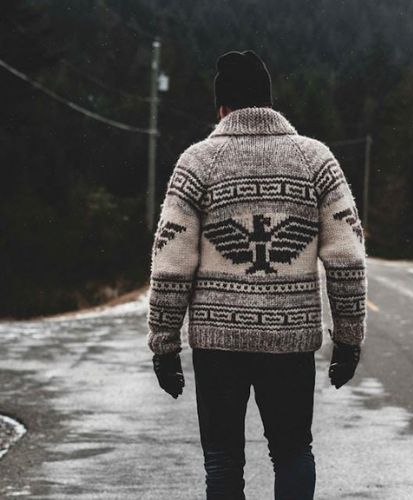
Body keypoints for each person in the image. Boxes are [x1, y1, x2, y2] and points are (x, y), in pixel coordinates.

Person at [147, 50, 367, 500]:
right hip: (289, 339)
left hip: (217, 343)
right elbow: (347, 258)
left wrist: (164, 344)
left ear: (222, 108)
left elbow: (171, 263)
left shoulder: (196, 163)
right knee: (292, 452)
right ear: (270, 102)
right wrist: (349, 338)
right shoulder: (316, 161)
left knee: (223, 460)